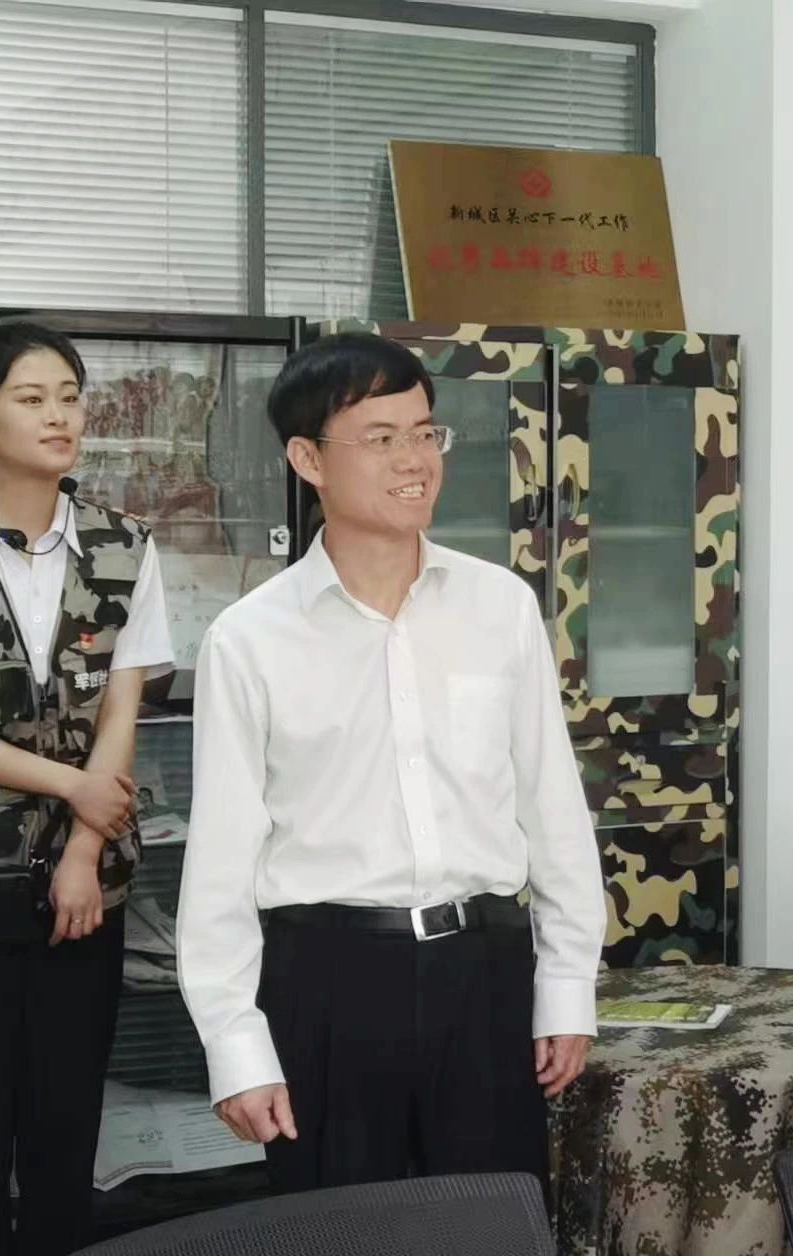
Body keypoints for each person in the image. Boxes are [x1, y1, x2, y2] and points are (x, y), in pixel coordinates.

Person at [176, 332, 605, 1194]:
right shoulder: (249, 640)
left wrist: (565, 985)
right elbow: (220, 859)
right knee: (338, 1229)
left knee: (492, 1223)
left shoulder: (499, 606)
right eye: (380, 438)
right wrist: (235, 1043)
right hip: (326, 983)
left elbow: (551, 808)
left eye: (424, 433)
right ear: (308, 459)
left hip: (484, 973)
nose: (414, 461)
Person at [0, 322, 174, 1256]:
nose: (59, 416)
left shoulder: (126, 547)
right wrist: (76, 789)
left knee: (65, 1138)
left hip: (86, 897)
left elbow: (124, 710)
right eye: (31, 398)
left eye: (70, 396)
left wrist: (86, 850)